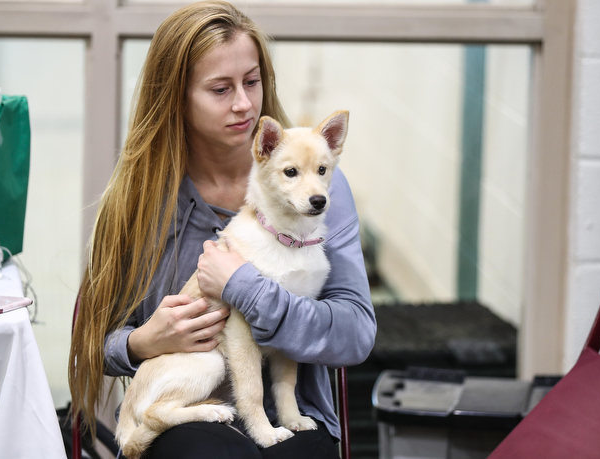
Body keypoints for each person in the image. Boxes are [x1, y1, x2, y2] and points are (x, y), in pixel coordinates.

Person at [68, 1, 376, 457]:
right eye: (220, 89)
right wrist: (141, 342)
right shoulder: (139, 200)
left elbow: (355, 333)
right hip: (186, 412)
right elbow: (89, 349)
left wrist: (248, 291)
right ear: (176, 97)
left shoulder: (320, 189)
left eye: (252, 81)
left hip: (294, 412)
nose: (244, 104)